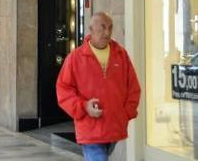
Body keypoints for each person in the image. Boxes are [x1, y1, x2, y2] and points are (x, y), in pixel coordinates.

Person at [56, 12, 141, 161]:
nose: (107, 33)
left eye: (110, 28)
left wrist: (125, 113)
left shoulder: (121, 55)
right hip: (90, 129)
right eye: (102, 28)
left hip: (114, 127)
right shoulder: (75, 58)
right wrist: (84, 107)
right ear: (91, 29)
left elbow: (133, 87)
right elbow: (63, 90)